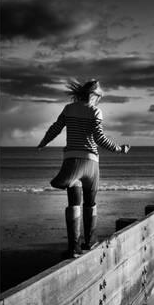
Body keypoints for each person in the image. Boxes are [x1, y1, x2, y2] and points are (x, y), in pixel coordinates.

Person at [37, 79, 130, 258]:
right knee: (90, 202)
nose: (99, 100)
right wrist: (120, 149)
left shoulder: (68, 109)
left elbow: (55, 128)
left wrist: (43, 143)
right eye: (99, 96)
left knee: (73, 203)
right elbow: (99, 138)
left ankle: (74, 248)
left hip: (72, 162)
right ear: (94, 96)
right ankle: (90, 241)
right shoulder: (95, 111)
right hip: (91, 163)